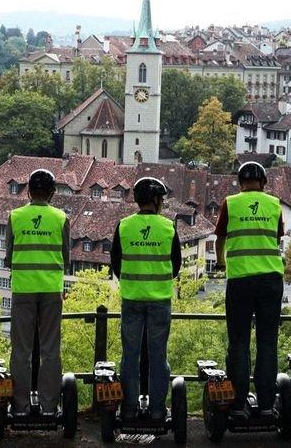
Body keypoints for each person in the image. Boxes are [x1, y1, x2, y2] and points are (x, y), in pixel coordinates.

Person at [214, 161, 284, 418]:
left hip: (241, 280)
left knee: (239, 343)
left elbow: (220, 238)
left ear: (240, 182)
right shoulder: (275, 204)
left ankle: (237, 404)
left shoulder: (230, 203)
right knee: (267, 343)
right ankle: (266, 405)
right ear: (264, 182)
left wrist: (221, 263)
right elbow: (277, 238)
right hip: (271, 279)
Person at [111, 177, 182, 421]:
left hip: (131, 299)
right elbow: (176, 266)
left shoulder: (123, 225)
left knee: (129, 356)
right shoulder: (168, 227)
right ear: (155, 200)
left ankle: (128, 410)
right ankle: (157, 411)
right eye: (161, 198)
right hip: (159, 300)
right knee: (158, 356)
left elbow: (116, 264)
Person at [5, 169, 70, 416]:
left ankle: (20, 406)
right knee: (50, 349)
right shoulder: (61, 218)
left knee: (21, 350)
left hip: (23, 290)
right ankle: (49, 406)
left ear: (29, 191)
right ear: (53, 193)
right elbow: (66, 257)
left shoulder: (15, 216)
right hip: (51, 290)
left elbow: (9, 257)